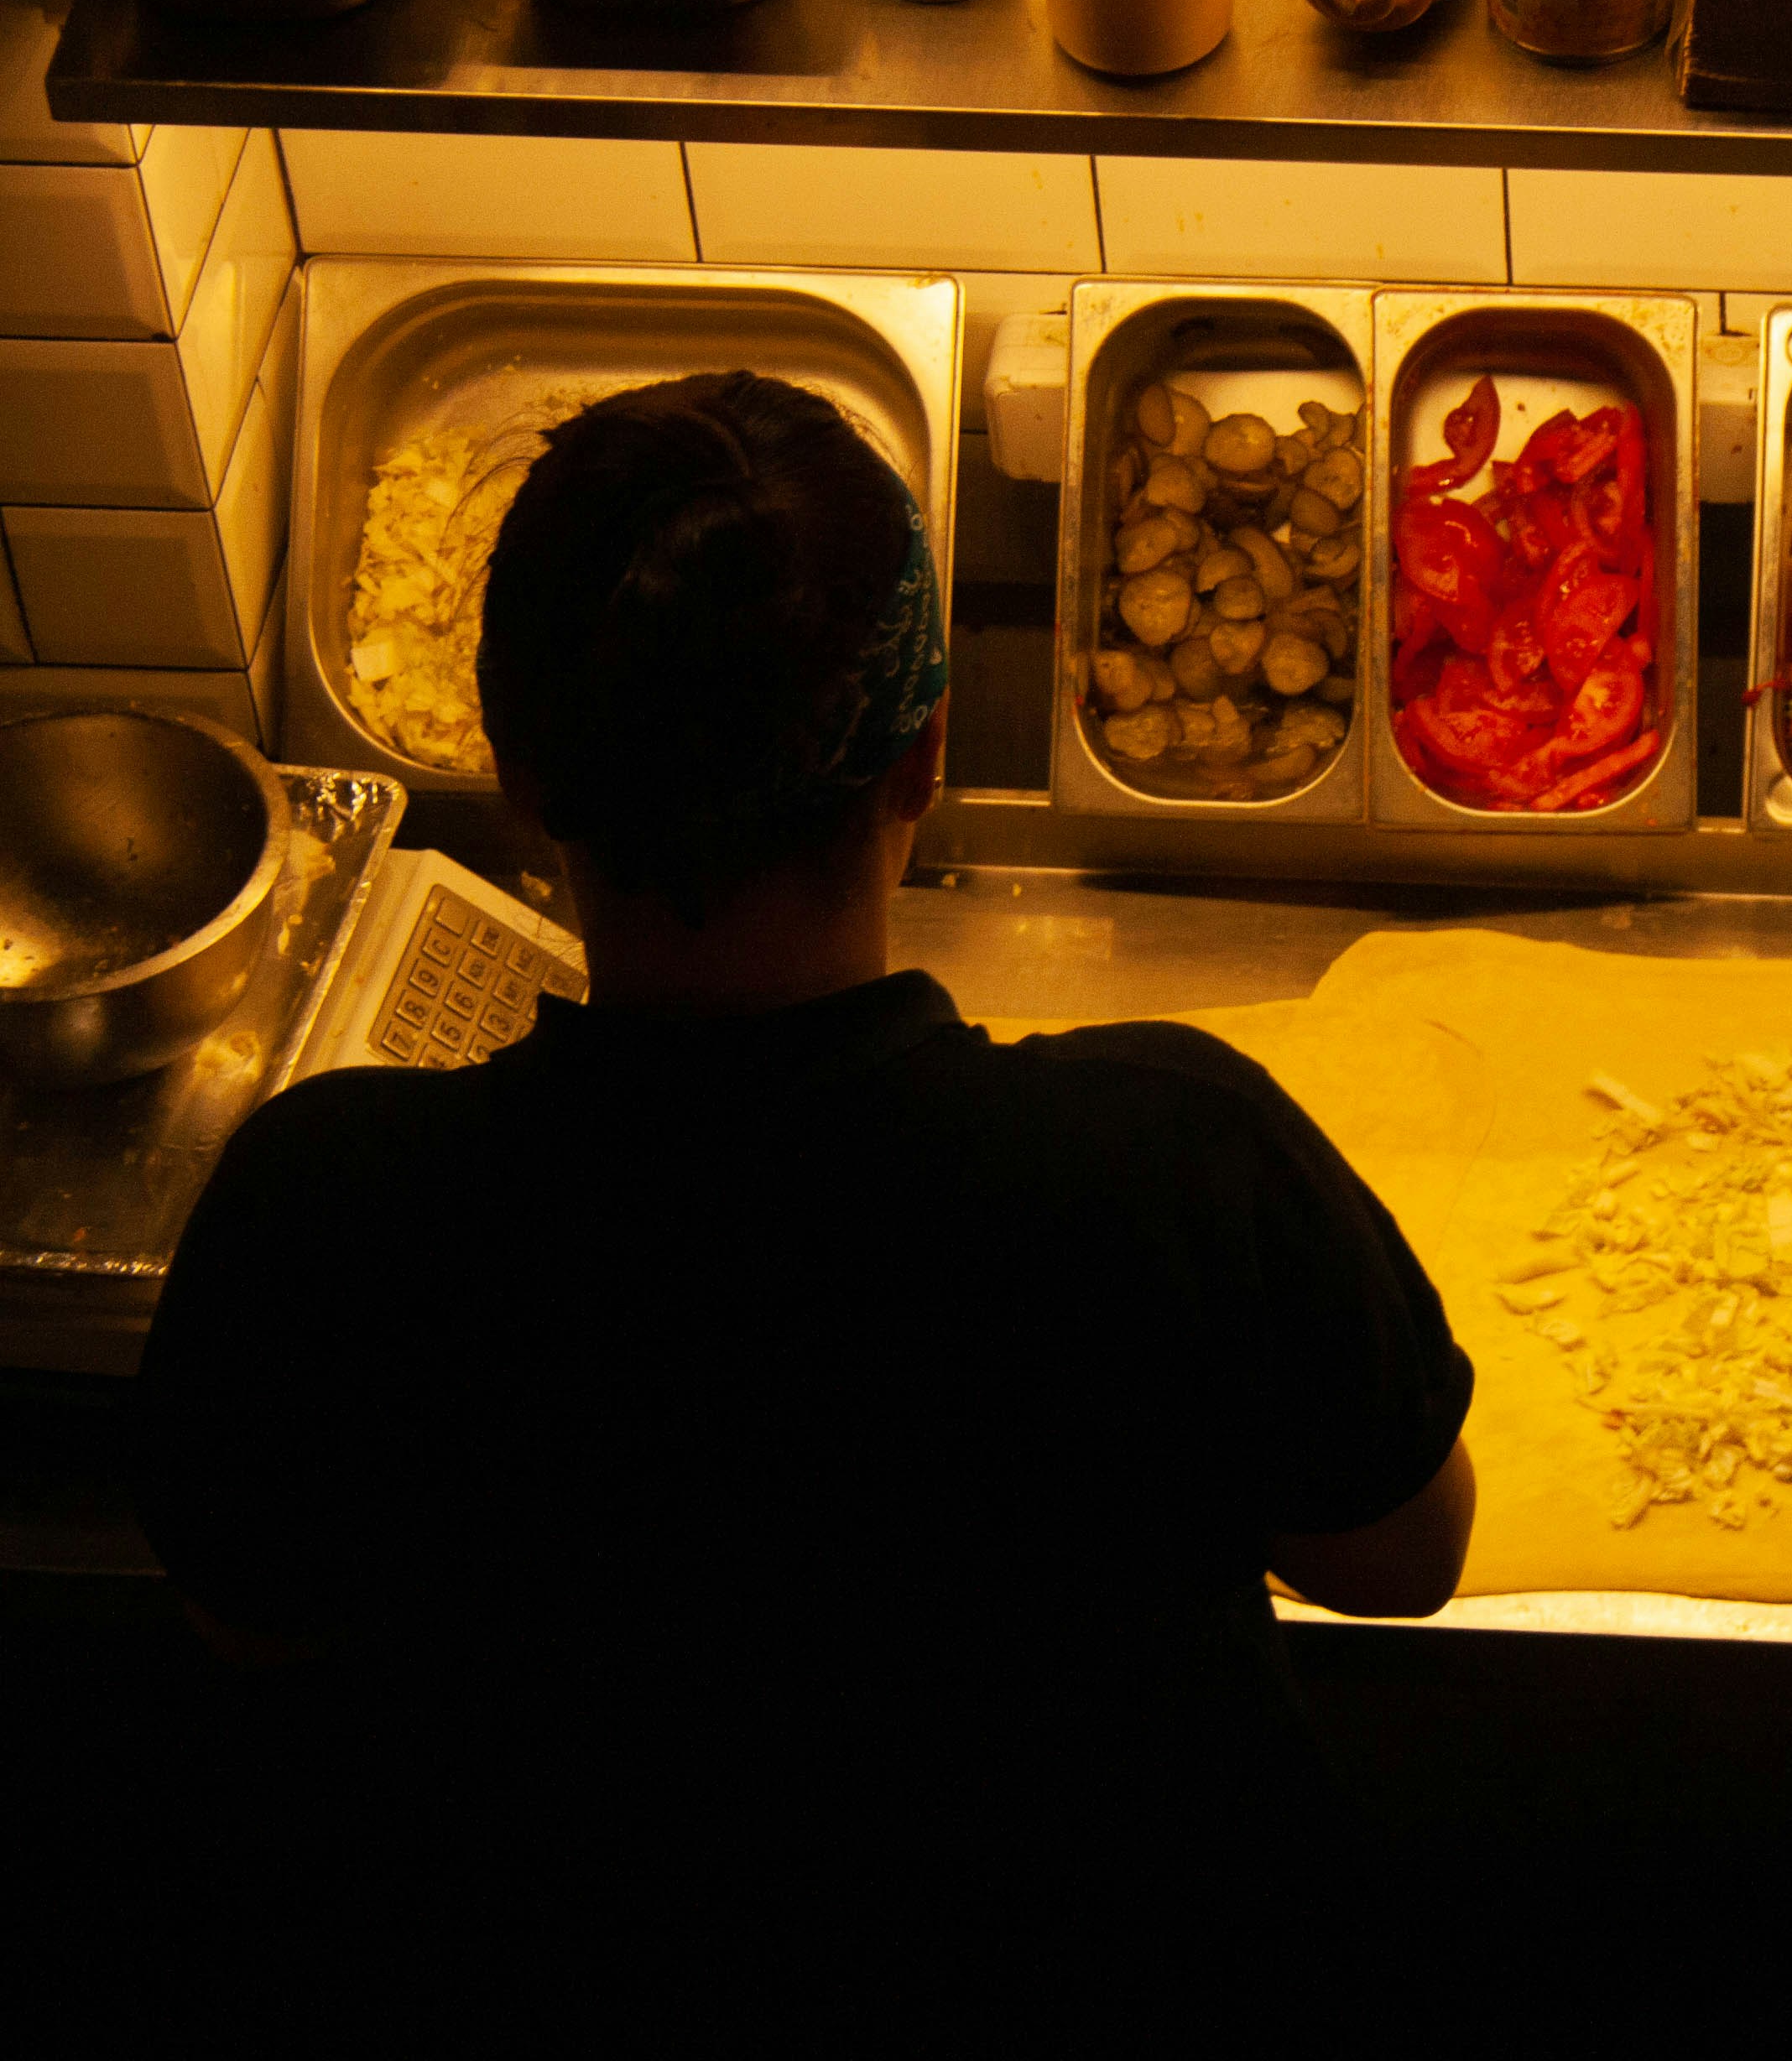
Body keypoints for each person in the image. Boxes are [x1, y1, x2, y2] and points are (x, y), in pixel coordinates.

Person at [133, 371, 1474, 2029]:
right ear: (925, 757)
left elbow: (251, 1620)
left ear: (520, 774)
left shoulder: (322, 1213)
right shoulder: (1173, 1161)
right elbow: (1407, 1555)